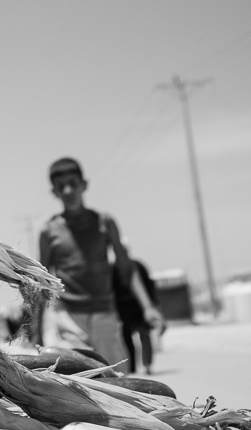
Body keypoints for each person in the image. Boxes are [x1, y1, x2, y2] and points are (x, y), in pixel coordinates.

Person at [35, 157, 163, 366]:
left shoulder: (104, 222)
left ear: (84, 185)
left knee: (115, 377)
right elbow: (42, 282)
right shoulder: (49, 231)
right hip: (70, 317)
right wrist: (37, 330)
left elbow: (127, 270)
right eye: (61, 187)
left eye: (73, 184)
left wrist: (148, 306)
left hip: (105, 314)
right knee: (78, 379)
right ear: (54, 192)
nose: (68, 191)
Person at [113, 258, 164, 374]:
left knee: (144, 336)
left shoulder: (137, 266)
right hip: (124, 309)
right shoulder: (114, 269)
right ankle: (132, 368)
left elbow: (149, 285)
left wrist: (151, 306)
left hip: (139, 308)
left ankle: (147, 365)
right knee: (127, 339)